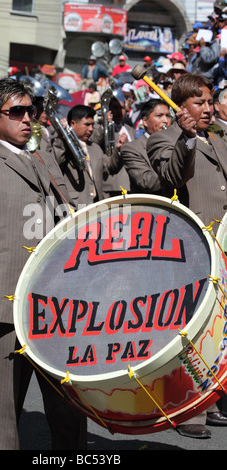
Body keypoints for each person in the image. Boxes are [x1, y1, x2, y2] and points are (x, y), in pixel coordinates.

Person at [0, 78, 87, 450]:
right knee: (2, 410)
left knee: (68, 404)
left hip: (54, 301)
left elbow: (65, 210)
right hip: (4, 301)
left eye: (32, 110)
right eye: (17, 112)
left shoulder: (40, 156)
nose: (28, 118)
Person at [146, 73, 227, 438]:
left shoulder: (221, 139)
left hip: (225, 243)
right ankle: (191, 410)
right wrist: (188, 139)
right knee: (195, 330)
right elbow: (172, 175)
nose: (208, 109)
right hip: (194, 248)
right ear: (182, 108)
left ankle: (217, 399)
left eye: (210, 102)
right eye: (200, 103)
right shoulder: (164, 140)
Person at [50, 104, 125, 206]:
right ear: (73, 124)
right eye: (87, 124)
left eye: (92, 125)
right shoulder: (62, 145)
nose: (91, 129)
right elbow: (56, 162)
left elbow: (110, 167)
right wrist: (61, 138)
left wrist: (119, 150)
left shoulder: (95, 148)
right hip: (75, 206)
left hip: (96, 205)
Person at [121, 98, 171, 194]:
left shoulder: (175, 142)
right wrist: (177, 169)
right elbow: (147, 182)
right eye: (159, 116)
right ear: (144, 121)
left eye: (168, 116)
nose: (166, 120)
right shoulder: (131, 149)